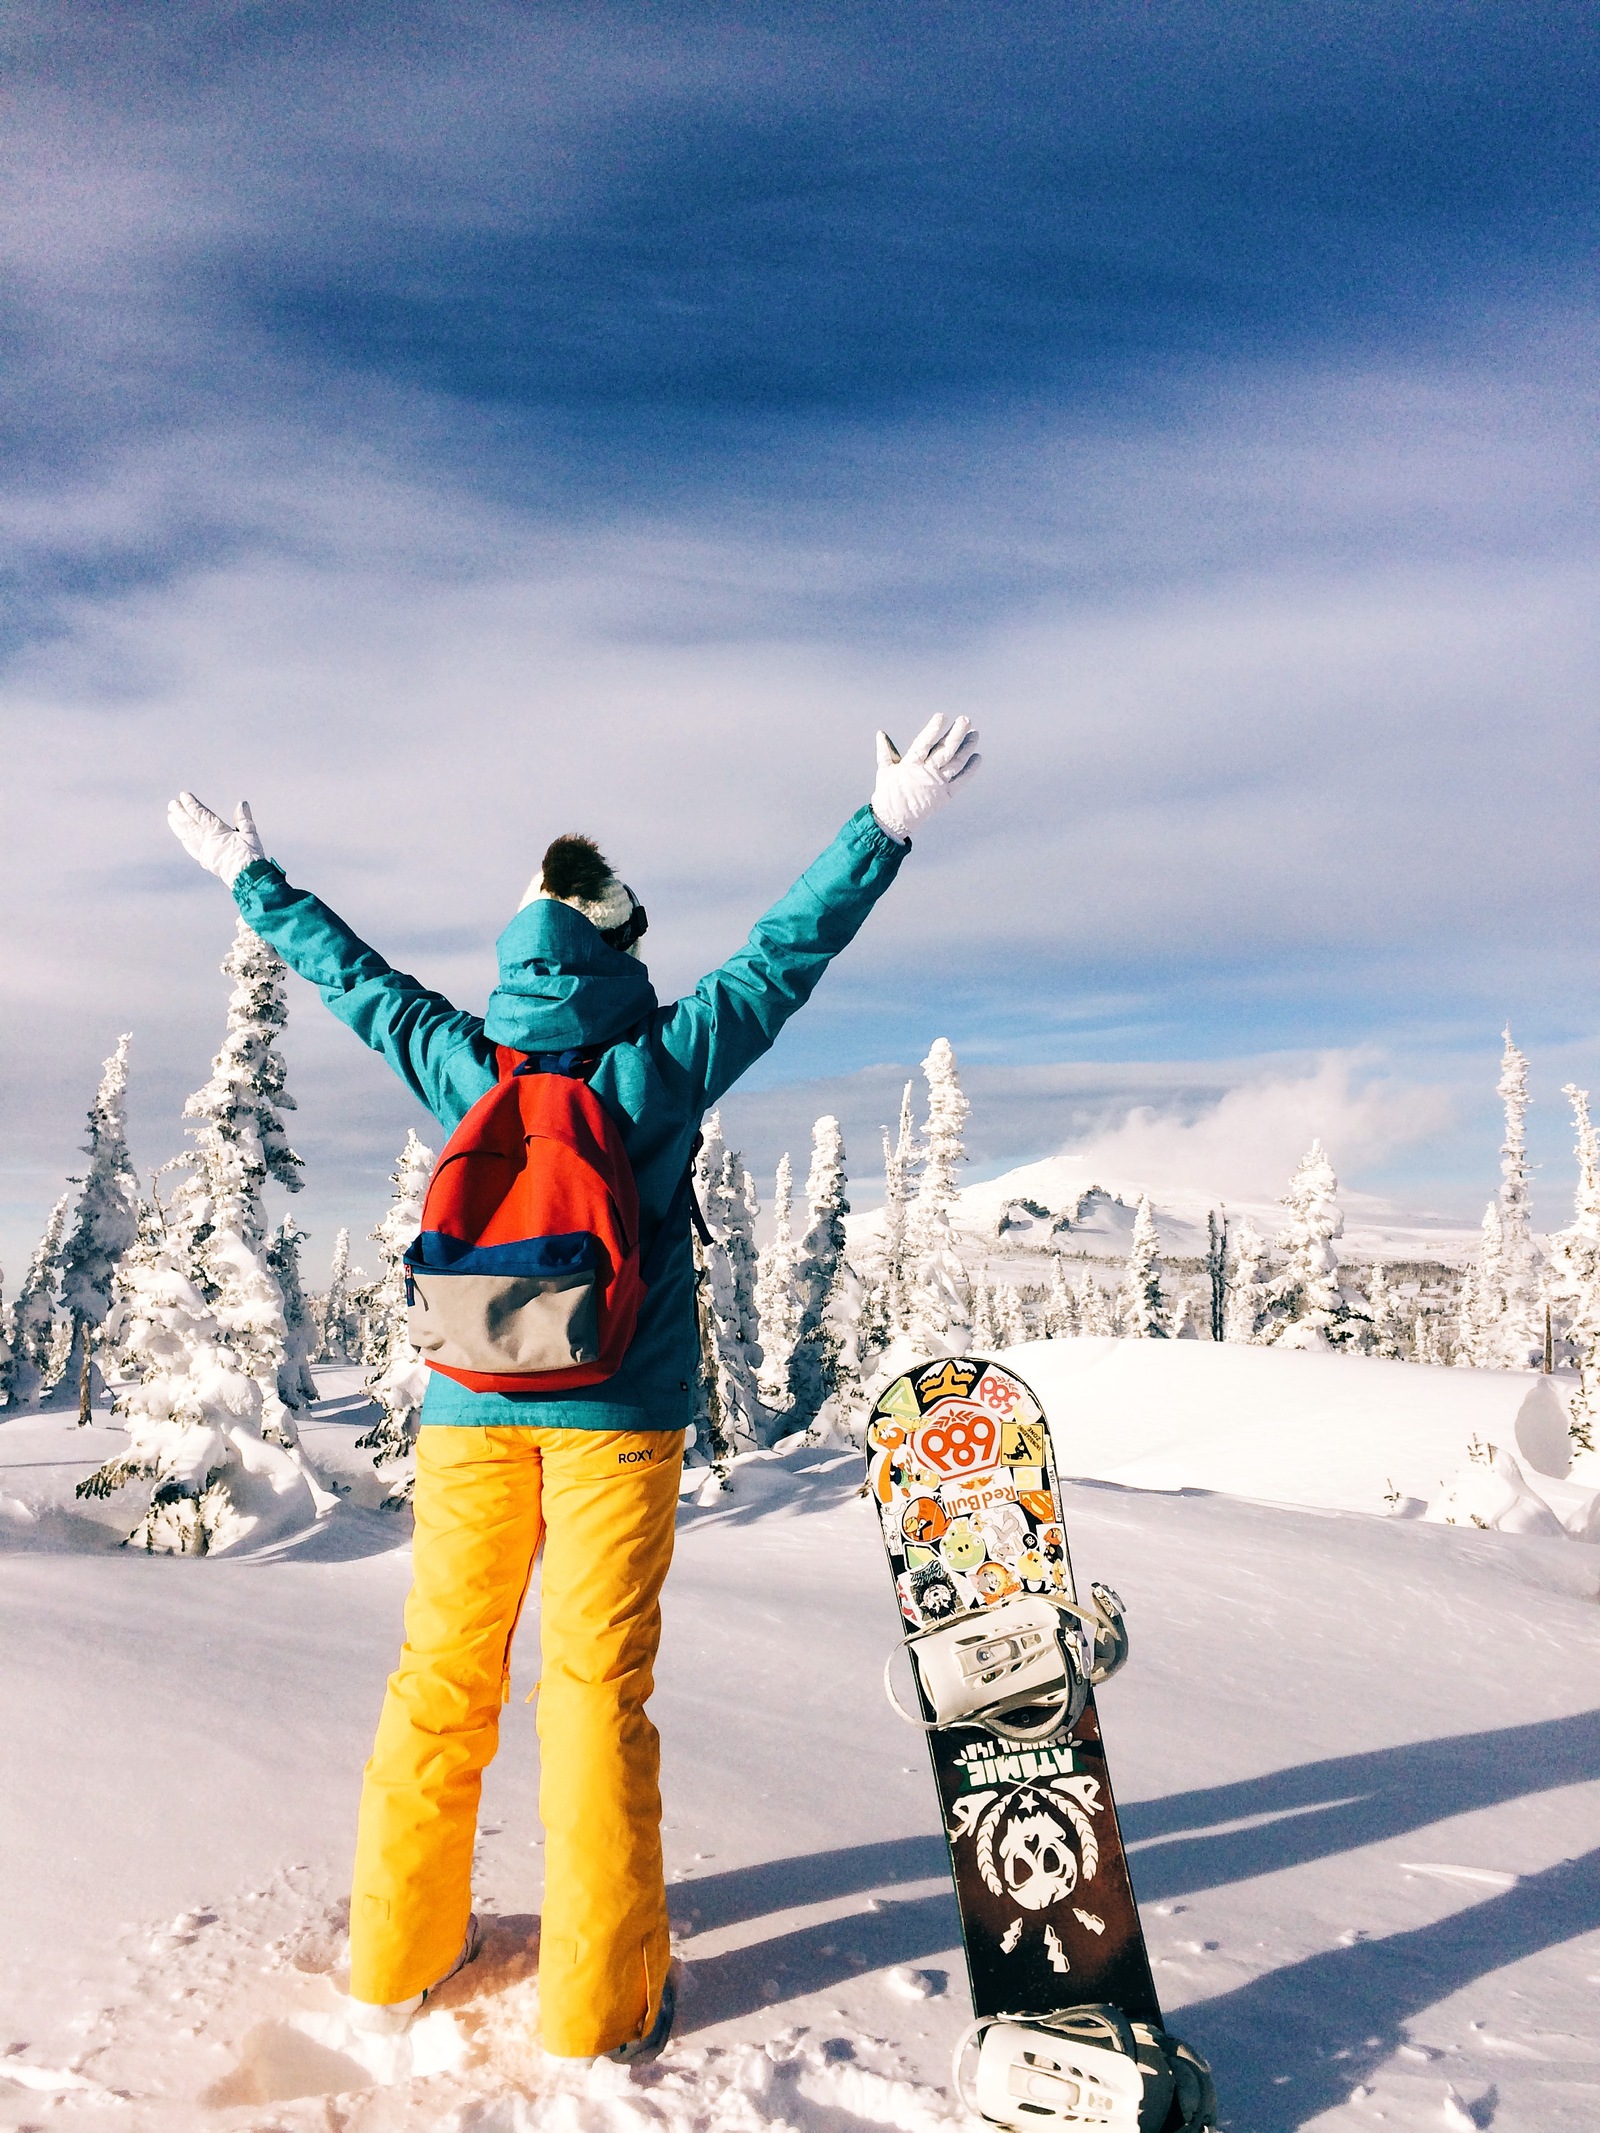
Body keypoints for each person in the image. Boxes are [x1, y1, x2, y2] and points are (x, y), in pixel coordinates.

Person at [166, 714, 982, 2063]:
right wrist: (881, 822)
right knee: (594, 1693)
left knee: (440, 1675)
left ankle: (398, 1957)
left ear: (521, 946)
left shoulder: (465, 1057)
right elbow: (786, 956)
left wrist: (254, 878)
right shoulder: (657, 1059)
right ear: (616, 942)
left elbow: (352, 976)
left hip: (472, 1404)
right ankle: (598, 2004)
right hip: (618, 1417)